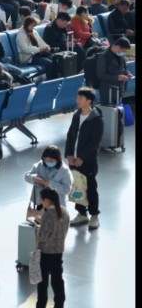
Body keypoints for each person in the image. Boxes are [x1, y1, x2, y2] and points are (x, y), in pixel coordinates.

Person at [65, 87, 103, 230]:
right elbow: (70, 135)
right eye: (78, 98)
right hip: (73, 159)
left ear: (89, 101)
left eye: (80, 98)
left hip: (88, 161)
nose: (77, 101)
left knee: (91, 187)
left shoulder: (96, 119)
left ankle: (94, 215)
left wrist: (81, 157)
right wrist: (69, 154)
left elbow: (94, 142)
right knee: (77, 186)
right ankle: (81, 213)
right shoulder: (76, 115)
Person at [34, 187, 71, 308]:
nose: (41, 202)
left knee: (42, 283)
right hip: (58, 251)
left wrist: (39, 227)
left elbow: (43, 236)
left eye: (42, 200)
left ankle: (41, 305)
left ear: (46, 200)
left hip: (46, 253)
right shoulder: (64, 211)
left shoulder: (49, 214)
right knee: (57, 280)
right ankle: (59, 305)